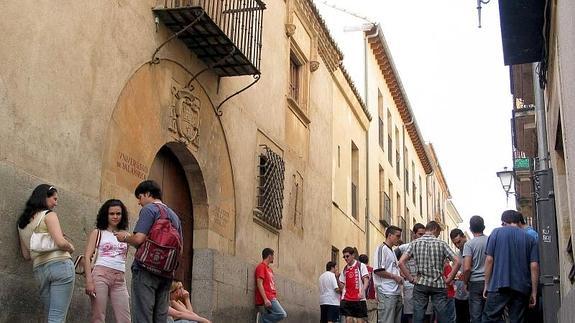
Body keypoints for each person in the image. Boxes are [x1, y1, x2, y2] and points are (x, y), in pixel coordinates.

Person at [114, 180, 183, 323]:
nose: (139, 202)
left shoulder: (149, 209)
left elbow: (139, 239)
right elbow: (180, 250)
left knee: (142, 316)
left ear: (148, 194)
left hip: (145, 270)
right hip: (166, 274)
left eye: (140, 197)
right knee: (160, 318)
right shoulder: (174, 216)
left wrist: (125, 237)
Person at [17, 184, 75, 323]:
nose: (56, 203)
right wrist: (71, 247)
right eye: (54, 199)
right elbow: (61, 243)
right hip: (60, 265)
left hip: (39, 270)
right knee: (57, 318)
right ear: (44, 197)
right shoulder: (49, 215)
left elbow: (26, 255)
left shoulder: (21, 224)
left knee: (50, 316)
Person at [482, 210, 539, 323]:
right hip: (521, 287)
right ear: (518, 221)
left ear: (504, 222)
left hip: (498, 285)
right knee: (516, 320)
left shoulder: (496, 233)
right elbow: (534, 266)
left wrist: (486, 284)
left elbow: (489, 260)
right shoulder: (530, 238)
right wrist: (534, 291)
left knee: (489, 318)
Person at [398, 221, 459, 323]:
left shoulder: (414, 243)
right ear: (434, 229)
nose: (437, 236)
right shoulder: (442, 244)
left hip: (421, 283)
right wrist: (448, 279)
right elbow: (457, 261)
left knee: (418, 315)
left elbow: (401, 262)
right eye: (438, 233)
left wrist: (411, 279)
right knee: (443, 316)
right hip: (438, 284)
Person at [84, 199, 131, 323]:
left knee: (125, 319)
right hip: (100, 275)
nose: (115, 217)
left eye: (118, 213)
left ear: (122, 215)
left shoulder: (126, 235)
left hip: (120, 279)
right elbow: (87, 257)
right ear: (106, 214)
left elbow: (124, 257)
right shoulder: (98, 232)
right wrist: (89, 281)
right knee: (98, 317)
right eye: (111, 214)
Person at [395, 223, 432, 323]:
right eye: (420, 234)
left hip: (425, 285)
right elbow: (393, 258)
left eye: (424, 234)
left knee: (427, 315)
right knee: (411, 316)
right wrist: (400, 273)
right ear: (413, 235)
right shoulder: (404, 247)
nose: (422, 237)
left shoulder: (429, 248)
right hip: (410, 286)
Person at [373, 225, 404, 323]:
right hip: (386, 293)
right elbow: (378, 270)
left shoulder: (392, 251)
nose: (399, 239)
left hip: (396, 292)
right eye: (397, 236)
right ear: (390, 235)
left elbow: (392, 269)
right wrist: (395, 277)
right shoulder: (382, 249)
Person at [462, 216, 488, 323]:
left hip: (475, 283)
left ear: (471, 229)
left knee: (475, 316)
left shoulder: (469, 244)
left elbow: (467, 268)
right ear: (484, 227)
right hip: (490, 281)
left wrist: (465, 282)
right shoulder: (491, 240)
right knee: (490, 315)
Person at [255, 247, 287, 323]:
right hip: (268, 297)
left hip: (272, 297)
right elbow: (259, 283)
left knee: (277, 315)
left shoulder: (269, 269)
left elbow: (270, 285)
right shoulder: (261, 267)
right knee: (282, 314)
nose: (273, 258)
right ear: (269, 256)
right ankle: (261, 320)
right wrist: (265, 299)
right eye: (273, 256)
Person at [339, 246, 370, 323]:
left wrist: (362, 291)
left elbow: (366, 280)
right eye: (344, 257)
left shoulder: (361, 265)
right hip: (347, 299)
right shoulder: (345, 269)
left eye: (347, 256)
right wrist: (337, 278)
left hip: (359, 298)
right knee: (348, 320)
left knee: (360, 321)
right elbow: (342, 286)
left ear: (353, 255)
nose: (345, 258)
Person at [449, 229, 469, 323]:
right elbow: (454, 274)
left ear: (464, 237)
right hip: (459, 295)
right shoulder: (456, 255)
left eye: (459, 242)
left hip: (471, 294)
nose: (457, 245)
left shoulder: (472, 249)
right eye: (455, 243)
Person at [358, 254, 378, 323]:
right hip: (371, 299)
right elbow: (376, 284)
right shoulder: (373, 271)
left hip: (359, 299)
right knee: (372, 320)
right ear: (368, 261)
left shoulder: (357, 271)